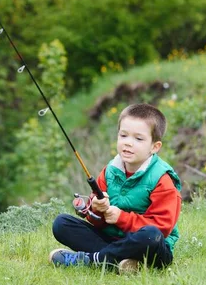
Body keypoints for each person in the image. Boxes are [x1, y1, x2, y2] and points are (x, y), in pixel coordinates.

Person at [49, 103, 182, 273]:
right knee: (61, 223)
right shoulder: (110, 170)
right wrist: (96, 210)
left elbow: (162, 228)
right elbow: (95, 219)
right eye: (123, 135)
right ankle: (121, 261)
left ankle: (93, 259)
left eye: (138, 139)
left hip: (150, 247)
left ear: (154, 147)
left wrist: (121, 217)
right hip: (111, 239)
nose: (128, 143)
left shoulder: (163, 179)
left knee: (150, 234)